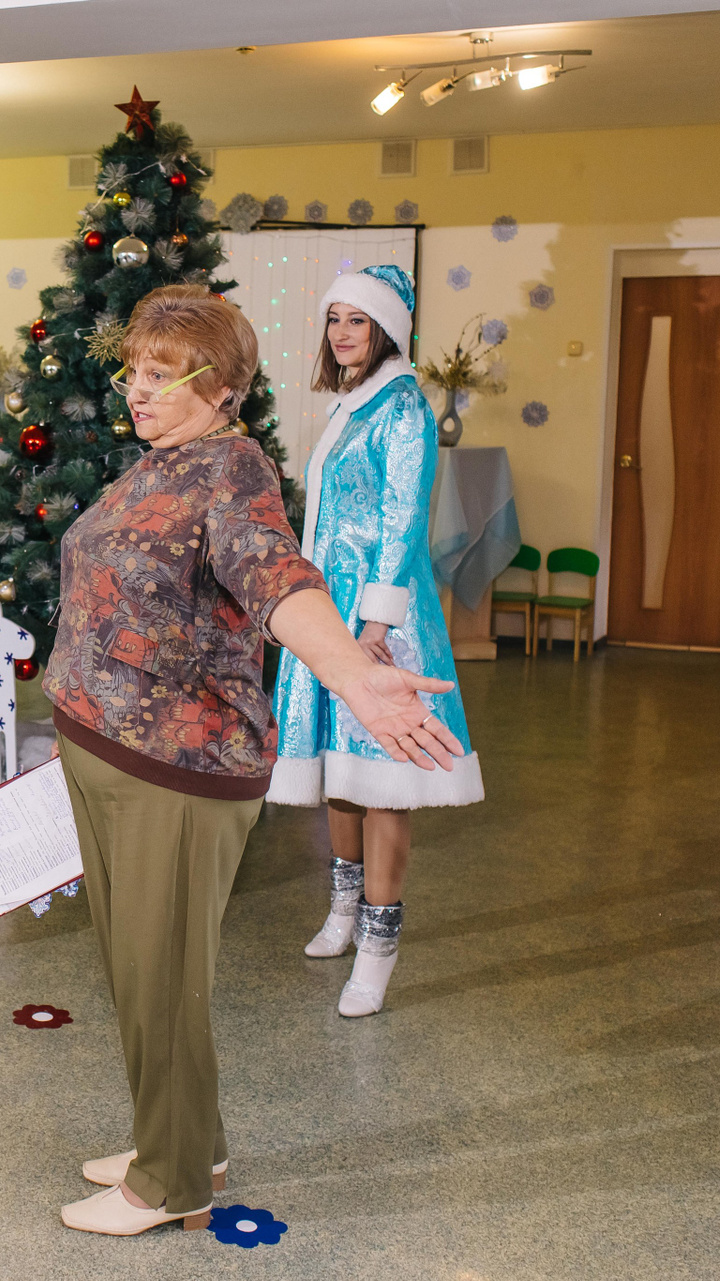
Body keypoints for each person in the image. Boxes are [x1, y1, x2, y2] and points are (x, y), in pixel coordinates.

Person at [43, 285, 464, 1236]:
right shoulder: (161, 461)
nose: (136, 391)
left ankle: (170, 1184)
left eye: (161, 375)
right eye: (133, 371)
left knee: (161, 979)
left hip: (174, 771)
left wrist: (351, 670)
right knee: (138, 972)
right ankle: (184, 1141)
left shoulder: (232, 470)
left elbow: (276, 574)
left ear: (222, 388)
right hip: (109, 751)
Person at [268, 264, 485, 1019]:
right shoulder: (349, 404)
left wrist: (375, 625)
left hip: (378, 616)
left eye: (356, 319)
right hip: (330, 608)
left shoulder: (404, 407)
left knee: (383, 784)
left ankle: (379, 946)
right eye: (334, 319)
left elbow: (402, 518)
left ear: (386, 327)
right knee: (339, 772)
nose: (341, 332)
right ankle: (343, 907)